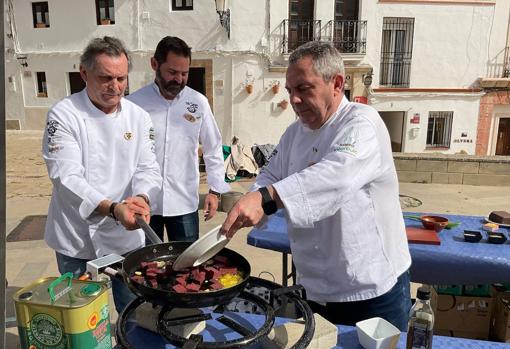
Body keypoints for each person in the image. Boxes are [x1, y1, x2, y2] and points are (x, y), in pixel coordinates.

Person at [221, 41, 412, 330]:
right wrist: (250, 202)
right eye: (289, 91)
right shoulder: (294, 133)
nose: (294, 100)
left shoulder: (362, 124)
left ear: (336, 83)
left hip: (370, 290)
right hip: (314, 288)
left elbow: (338, 176)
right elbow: (270, 175)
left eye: (304, 89)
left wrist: (267, 199)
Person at [42, 36, 162, 313]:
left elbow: (148, 167)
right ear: (84, 73)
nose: (115, 86)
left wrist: (142, 197)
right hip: (76, 236)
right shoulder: (64, 115)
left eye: (121, 78)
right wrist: (113, 208)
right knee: (79, 316)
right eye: (105, 77)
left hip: (126, 236)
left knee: (133, 311)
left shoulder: (138, 117)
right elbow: (66, 177)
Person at [128, 36, 230, 242]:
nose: (179, 79)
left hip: (184, 203)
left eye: (184, 73)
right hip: (144, 202)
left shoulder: (198, 103)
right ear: (154, 64)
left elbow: (213, 147)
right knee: (146, 265)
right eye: (172, 72)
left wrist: (215, 191)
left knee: (186, 265)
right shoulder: (134, 104)